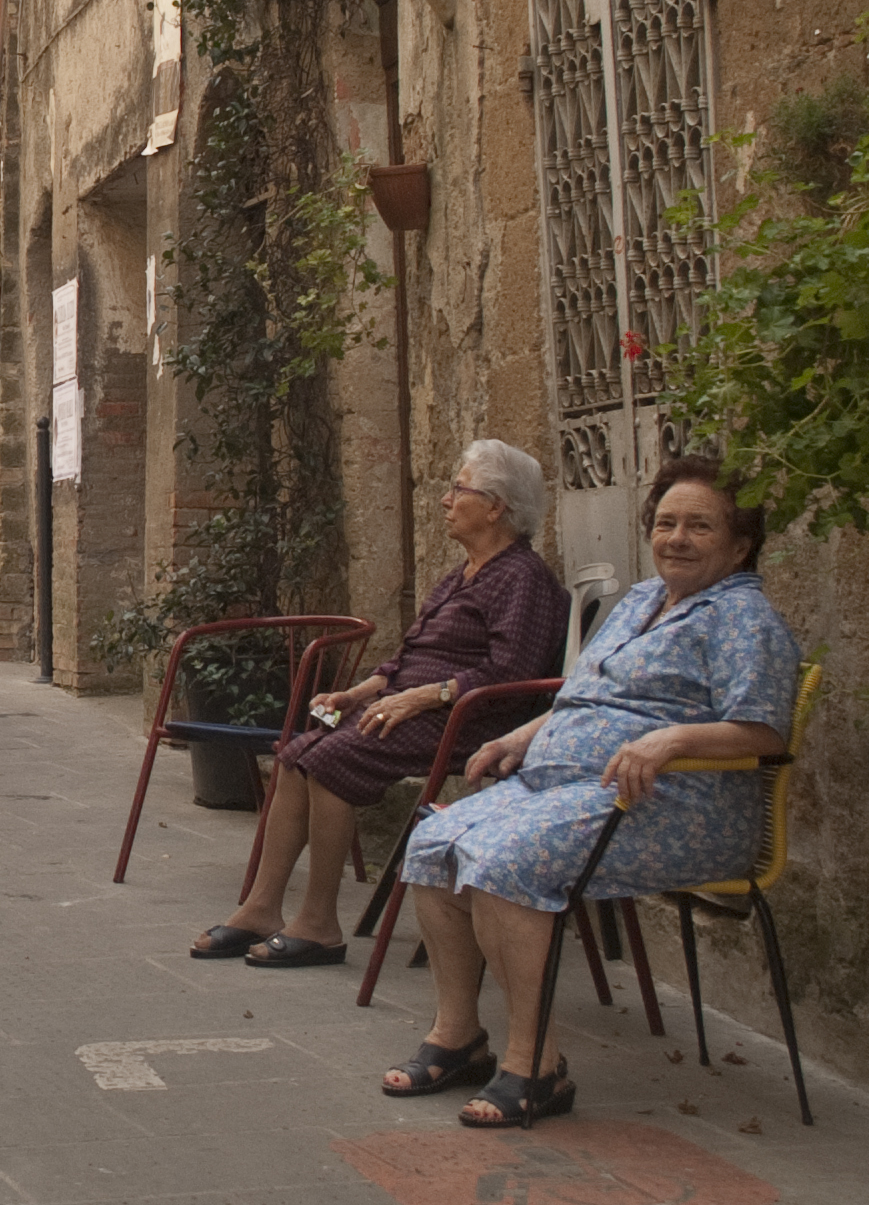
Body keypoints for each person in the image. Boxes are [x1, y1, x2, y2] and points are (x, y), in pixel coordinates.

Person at [377, 454, 801, 1129]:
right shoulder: (640, 600)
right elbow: (588, 694)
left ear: (739, 544)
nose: (677, 539)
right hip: (571, 788)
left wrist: (671, 741)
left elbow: (764, 733)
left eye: (700, 526)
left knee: (506, 861)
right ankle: (458, 1037)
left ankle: (534, 1065)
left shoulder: (743, 619)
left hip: (676, 806)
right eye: (666, 523)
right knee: (435, 837)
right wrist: (525, 734)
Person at [189, 440, 566, 968]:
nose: (445, 499)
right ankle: (261, 908)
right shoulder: (463, 573)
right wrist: (359, 691)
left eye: (458, 489)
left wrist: (426, 696)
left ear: (496, 506)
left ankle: (320, 924)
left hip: (472, 719)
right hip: (413, 705)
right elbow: (408, 656)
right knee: (297, 752)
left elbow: (514, 672)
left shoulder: (522, 578)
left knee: (332, 760)